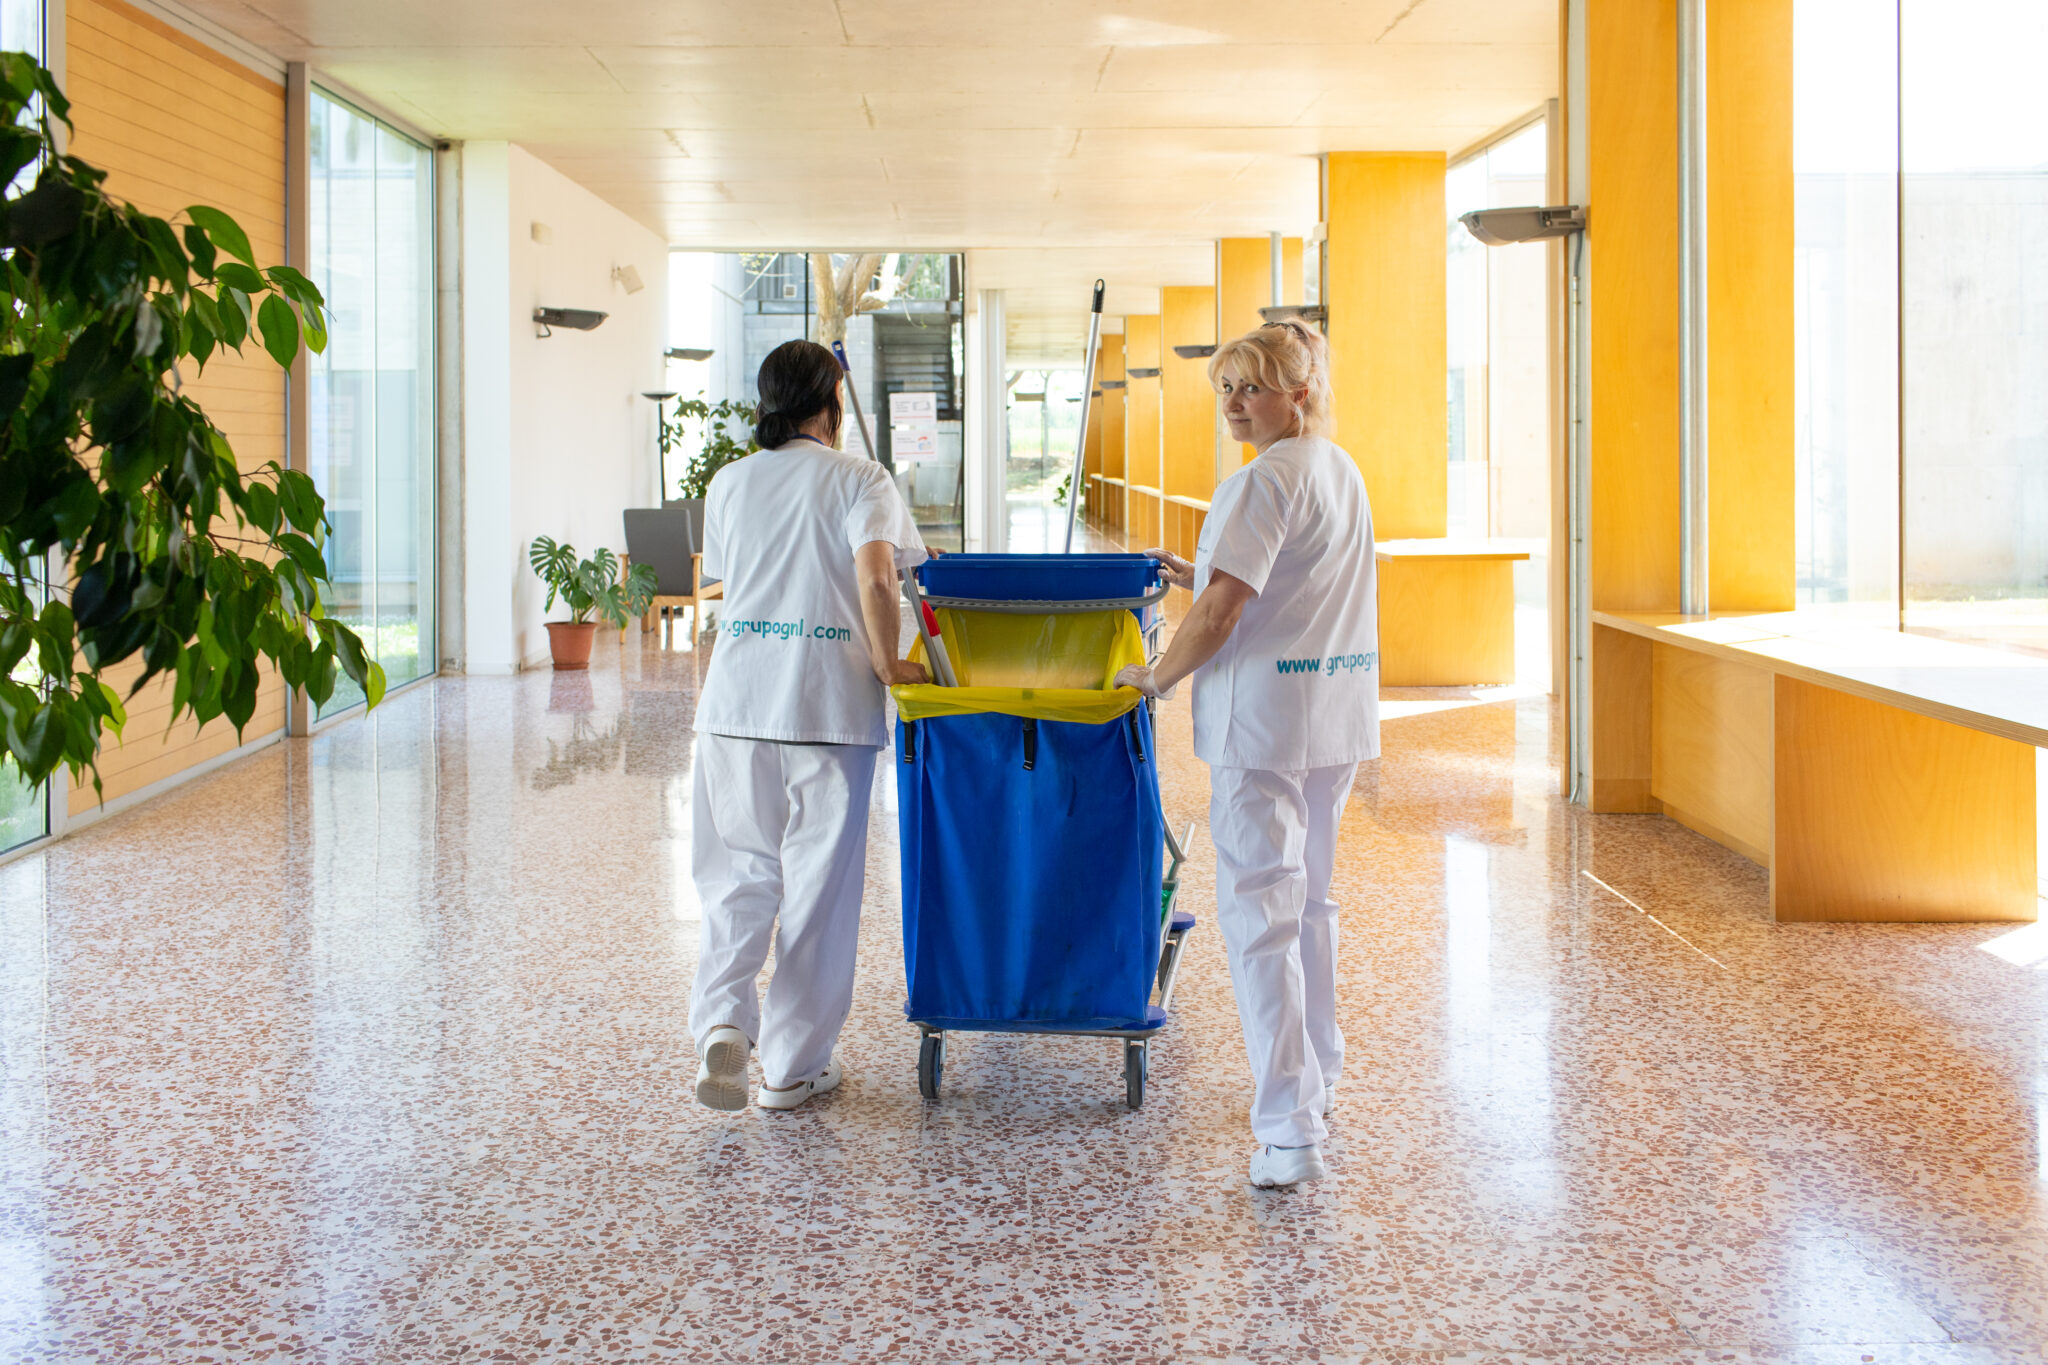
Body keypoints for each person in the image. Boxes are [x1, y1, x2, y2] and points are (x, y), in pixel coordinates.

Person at [1114, 321, 1377, 1188]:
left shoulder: (1260, 481)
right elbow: (1289, 579)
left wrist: (1154, 677)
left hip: (1263, 728)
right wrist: (1195, 572)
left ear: (1298, 394)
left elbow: (1225, 614)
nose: (1234, 403)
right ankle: (1318, 1074)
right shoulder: (1337, 469)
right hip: (1330, 718)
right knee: (1311, 904)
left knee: (1262, 917)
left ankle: (1289, 1131)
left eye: (1252, 388)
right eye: (1225, 387)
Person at [688, 339, 928, 1112]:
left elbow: (733, 576)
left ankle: (724, 1020)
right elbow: (878, 575)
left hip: (736, 705)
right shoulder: (862, 477)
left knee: (738, 874)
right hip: (828, 707)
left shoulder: (729, 481)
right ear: (831, 405)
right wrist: (889, 663)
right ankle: (792, 1067)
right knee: (818, 891)